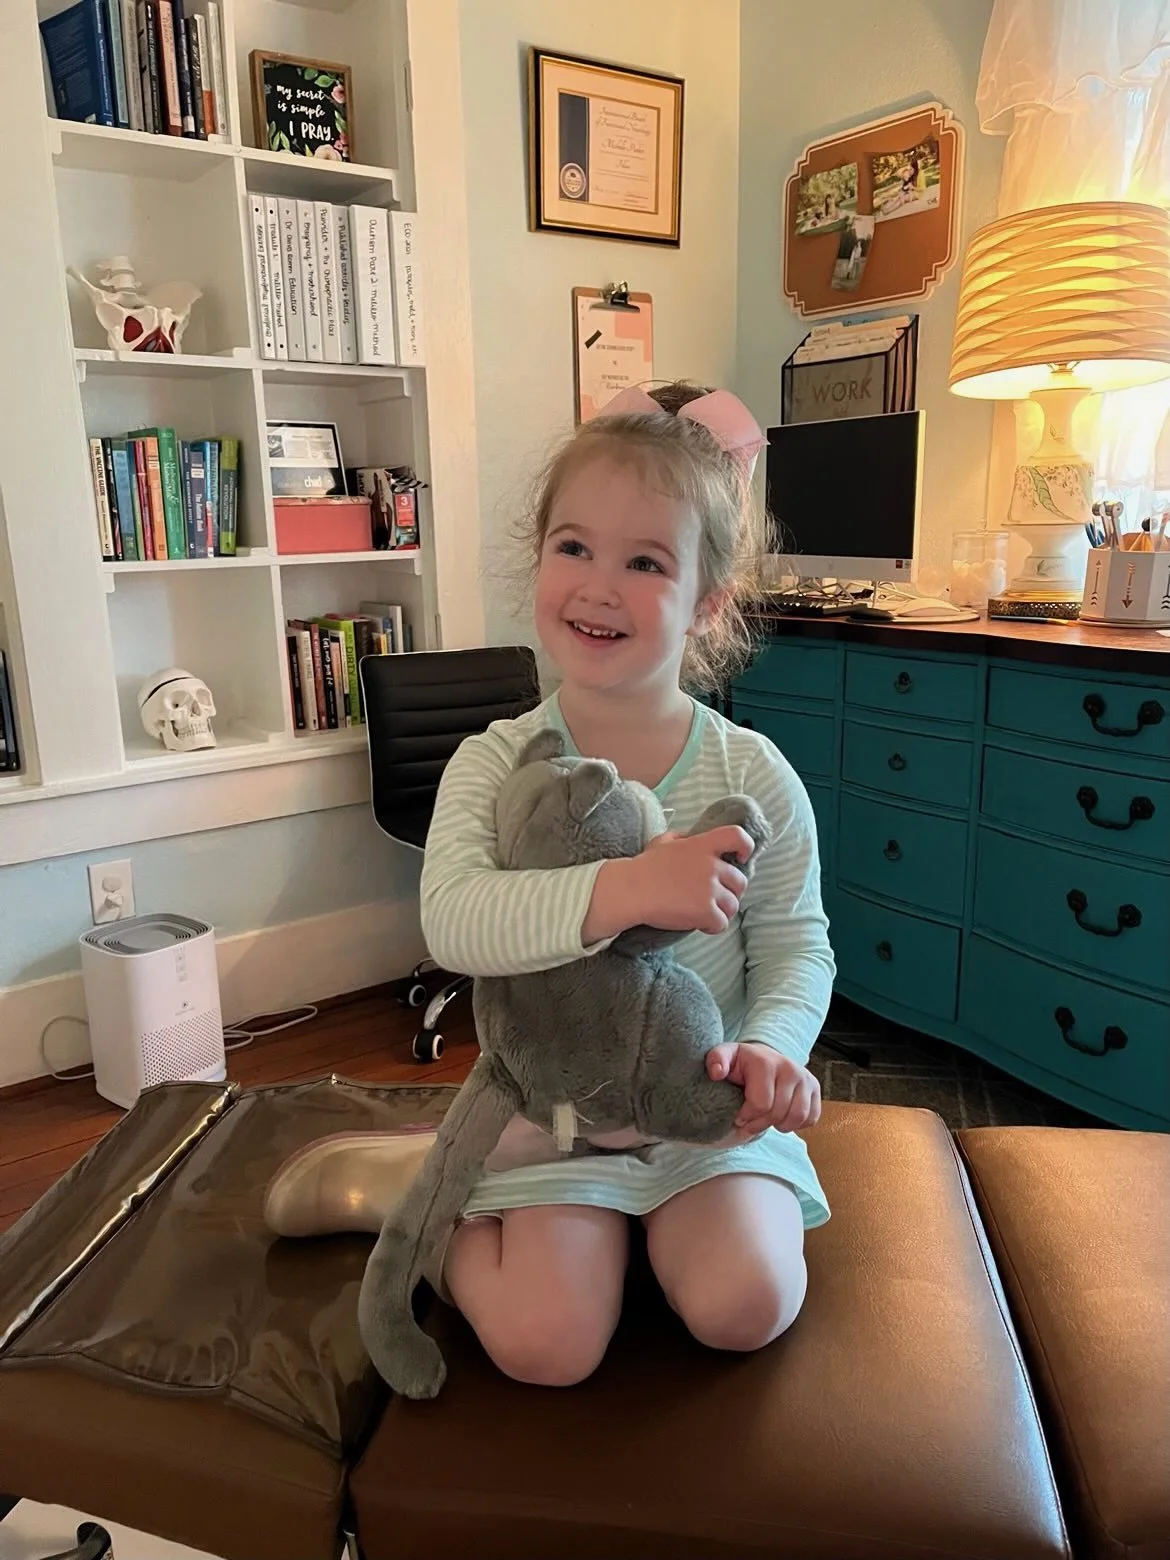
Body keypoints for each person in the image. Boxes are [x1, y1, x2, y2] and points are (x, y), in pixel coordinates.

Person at [412, 380, 835, 1387]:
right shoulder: (492, 761)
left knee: (747, 1304)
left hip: (704, 1117)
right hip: (553, 1115)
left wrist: (773, 1049)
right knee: (545, 1346)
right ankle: (425, 1208)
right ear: (540, 558)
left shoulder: (753, 774)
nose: (599, 585)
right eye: (574, 547)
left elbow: (794, 945)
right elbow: (455, 919)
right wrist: (636, 888)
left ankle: (643, 1231)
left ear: (706, 603)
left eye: (646, 562)